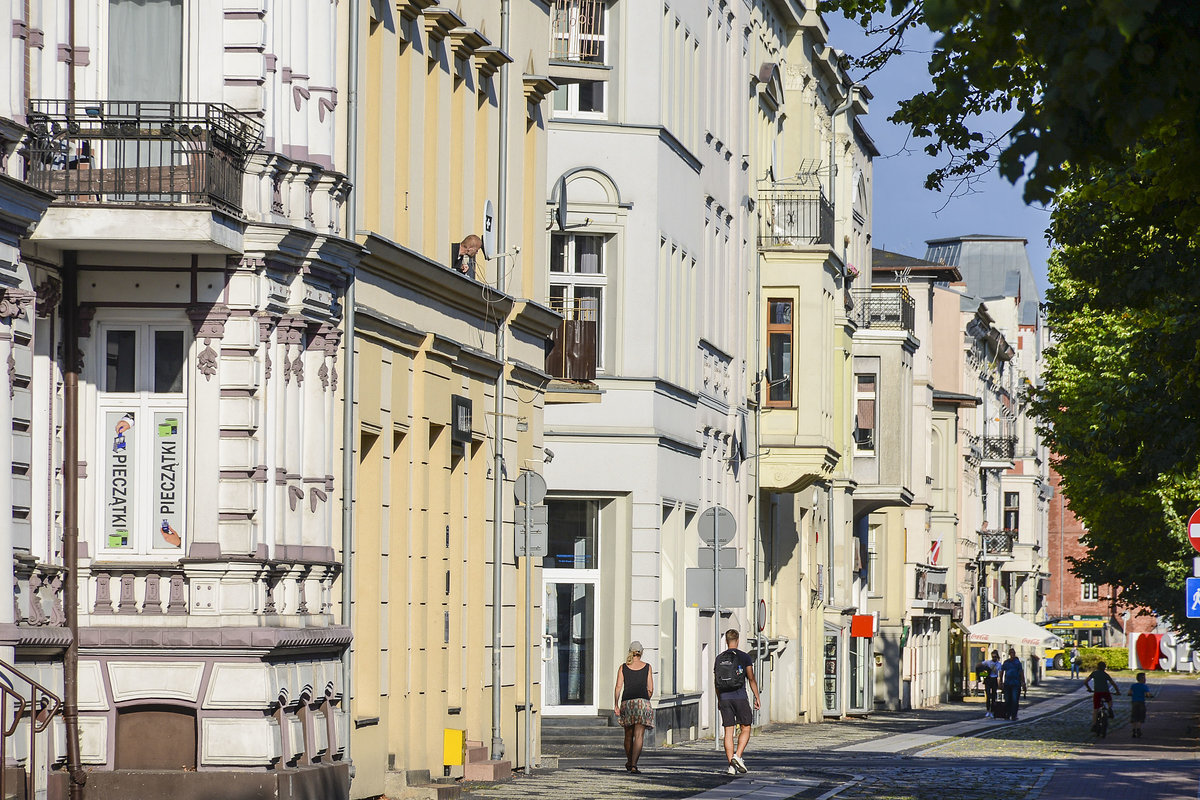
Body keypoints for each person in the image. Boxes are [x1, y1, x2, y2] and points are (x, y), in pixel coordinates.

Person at [714, 629, 760, 775]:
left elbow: (716, 682)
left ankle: (731, 767)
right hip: (740, 696)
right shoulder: (744, 657)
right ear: (738, 640)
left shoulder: (719, 658)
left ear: (726, 641)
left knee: (729, 731)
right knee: (746, 727)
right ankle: (737, 756)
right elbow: (751, 678)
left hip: (724, 698)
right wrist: (757, 696)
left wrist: (719, 699)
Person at [613, 641, 654, 773]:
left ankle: (629, 761)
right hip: (642, 703)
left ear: (630, 652)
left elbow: (618, 687)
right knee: (639, 735)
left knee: (628, 735)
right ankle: (634, 765)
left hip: (627, 703)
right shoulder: (647, 667)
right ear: (641, 652)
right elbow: (650, 689)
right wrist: (645, 699)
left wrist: (616, 704)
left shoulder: (623, 667)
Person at [1085, 659, 1121, 733]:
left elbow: (1085, 681)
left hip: (1097, 693)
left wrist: (1089, 688)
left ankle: (1094, 725)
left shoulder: (1094, 673)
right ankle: (1110, 709)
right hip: (1105, 692)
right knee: (1109, 701)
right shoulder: (1105, 674)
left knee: (1095, 709)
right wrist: (1117, 691)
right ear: (1104, 668)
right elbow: (1113, 684)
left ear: (1097, 667)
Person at [999, 648, 1026, 720]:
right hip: (1007, 683)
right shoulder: (1006, 662)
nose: (1012, 654)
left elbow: (1021, 673)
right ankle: (1007, 714)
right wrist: (1000, 681)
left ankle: (1014, 715)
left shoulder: (1018, 663)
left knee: (1015, 700)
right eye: (1011, 653)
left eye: (1013, 653)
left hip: (1016, 684)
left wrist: (1023, 683)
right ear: (1009, 654)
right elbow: (1002, 672)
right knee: (1007, 700)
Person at [1129, 671, 1153, 738]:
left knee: (1134, 716)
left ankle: (1134, 730)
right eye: (1144, 678)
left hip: (1134, 702)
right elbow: (1148, 694)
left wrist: (1132, 694)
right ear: (1142, 679)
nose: (1145, 679)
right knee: (1140, 716)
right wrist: (1150, 696)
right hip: (1141, 702)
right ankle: (1138, 729)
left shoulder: (1133, 685)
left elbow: (1129, 693)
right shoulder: (1144, 686)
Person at [981, 650, 1002, 718]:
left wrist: (1000, 681)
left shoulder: (999, 664)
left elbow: (999, 672)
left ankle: (992, 711)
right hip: (988, 679)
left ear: (997, 656)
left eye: (995, 657)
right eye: (993, 657)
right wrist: (984, 672)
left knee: (993, 696)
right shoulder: (988, 662)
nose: (994, 658)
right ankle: (988, 710)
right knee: (988, 695)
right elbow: (981, 665)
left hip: (994, 679)